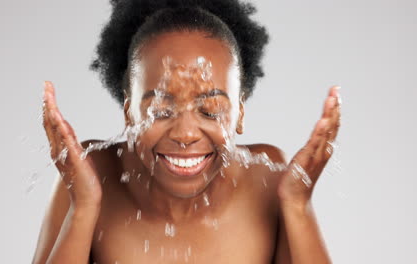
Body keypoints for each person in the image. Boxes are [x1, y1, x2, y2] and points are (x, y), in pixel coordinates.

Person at [32, 0, 341, 263]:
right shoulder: (88, 174)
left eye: (210, 110)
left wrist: (298, 205)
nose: (185, 133)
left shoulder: (267, 179)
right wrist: (83, 208)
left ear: (240, 113)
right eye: (161, 111)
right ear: (129, 112)